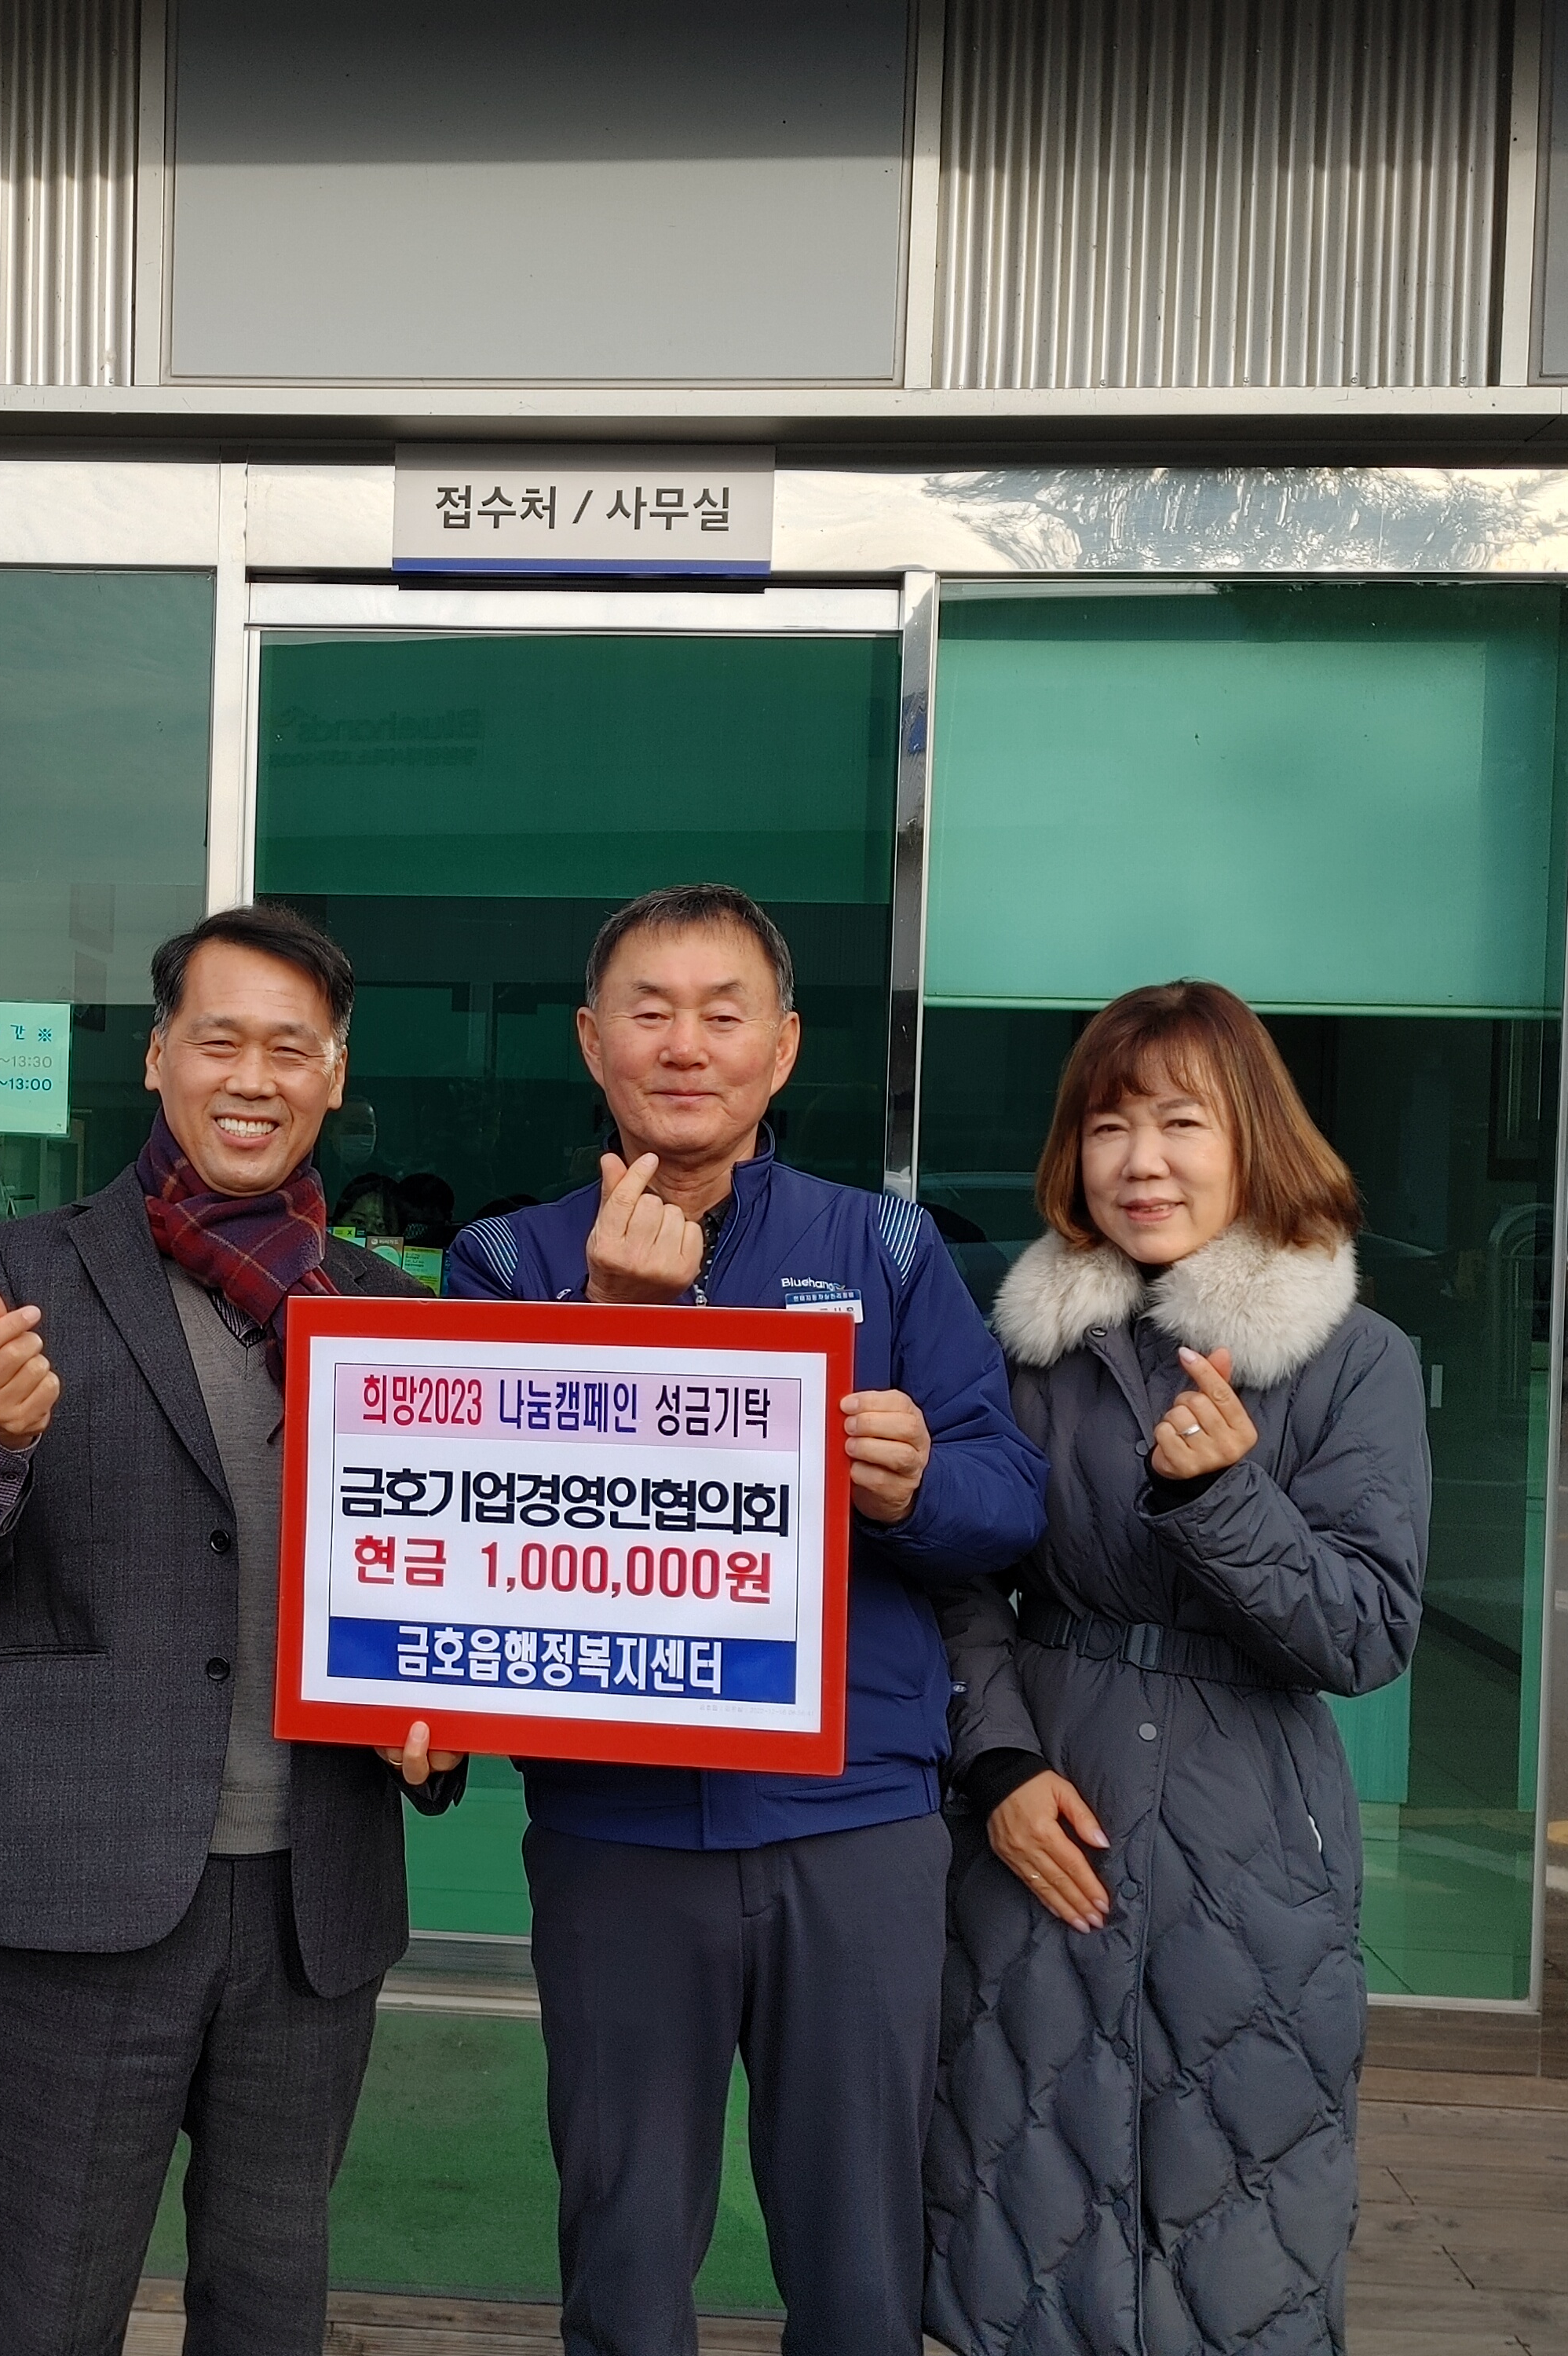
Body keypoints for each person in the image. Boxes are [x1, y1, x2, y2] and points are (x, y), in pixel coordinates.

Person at [444, 883, 1049, 2356]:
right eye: (649, 1012)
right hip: (615, 1825)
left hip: (855, 1816)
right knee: (625, 2241)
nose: (685, 1045)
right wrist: (607, 1328)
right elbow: (473, 1519)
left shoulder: (888, 1249)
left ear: (780, 1051)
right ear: (591, 1042)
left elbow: (1008, 1499)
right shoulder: (508, 1261)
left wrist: (916, 1484)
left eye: (724, 1015)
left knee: (860, 2253)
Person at [0, 902, 466, 2356]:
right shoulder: (28, 1268)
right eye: (219, 1041)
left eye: (290, 1048)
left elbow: (440, 1598)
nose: (252, 1078)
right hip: (83, 1882)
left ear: (335, 1075)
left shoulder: (390, 1311)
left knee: (270, 2305)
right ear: (157, 1058)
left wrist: (439, 1732)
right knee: (51, 2309)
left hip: (314, 1900)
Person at [928, 980, 1430, 2356]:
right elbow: (960, 1584)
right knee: (1023, 2188)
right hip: (1045, 1815)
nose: (1139, 1162)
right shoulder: (1028, 1354)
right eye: (1107, 1127)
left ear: (1253, 1135)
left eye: (1179, 1123)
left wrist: (1226, 1499)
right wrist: (1000, 1766)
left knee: (1241, 2222)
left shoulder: (1355, 1359)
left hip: (1251, 1841)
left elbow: (1365, 1632)